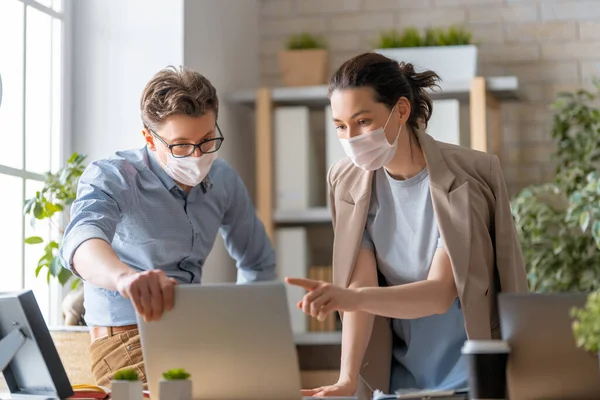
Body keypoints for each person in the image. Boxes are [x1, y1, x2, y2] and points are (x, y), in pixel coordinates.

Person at [286, 52, 528, 399]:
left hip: (469, 378)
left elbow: (440, 293)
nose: (350, 138)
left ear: (401, 111)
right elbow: (362, 283)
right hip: (398, 379)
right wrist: (347, 378)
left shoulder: (465, 180)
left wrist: (350, 298)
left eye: (363, 121)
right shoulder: (347, 181)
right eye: (340, 126)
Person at [59, 66, 276, 388]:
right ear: (149, 138)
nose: (197, 155)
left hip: (199, 334)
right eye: (181, 146)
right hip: (128, 340)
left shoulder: (224, 179)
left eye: (207, 140)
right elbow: (81, 239)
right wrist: (124, 278)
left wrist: (242, 329)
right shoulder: (114, 175)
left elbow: (257, 262)